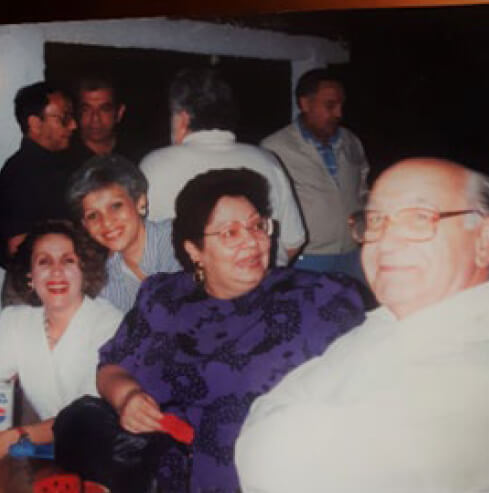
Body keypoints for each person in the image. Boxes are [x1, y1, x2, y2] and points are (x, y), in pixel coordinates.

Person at [53, 168, 364, 493]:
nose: (252, 241)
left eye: (258, 226)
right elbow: (111, 364)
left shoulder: (317, 299)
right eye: (230, 233)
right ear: (194, 250)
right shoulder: (161, 297)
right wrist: (126, 396)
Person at [236, 158, 489, 493]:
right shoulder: (391, 320)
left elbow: (276, 463)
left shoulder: (472, 368)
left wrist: (276, 424)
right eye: (376, 220)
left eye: (418, 218)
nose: (386, 240)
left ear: (484, 240)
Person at [140, 67, 305, 266]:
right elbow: (292, 242)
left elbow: (141, 252)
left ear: (182, 118)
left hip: (188, 293)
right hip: (265, 289)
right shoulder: (267, 160)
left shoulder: (155, 166)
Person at [0, 220, 122, 457]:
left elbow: (87, 416)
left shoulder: (109, 323)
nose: (56, 271)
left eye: (68, 260)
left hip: (106, 454)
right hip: (47, 455)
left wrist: (15, 436)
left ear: (84, 271)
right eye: (44, 261)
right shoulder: (15, 321)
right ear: (30, 277)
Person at [262, 68, 369, 279]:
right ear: (305, 104)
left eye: (341, 105)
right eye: (330, 105)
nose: (339, 114)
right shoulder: (276, 147)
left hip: (353, 254)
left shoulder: (351, 142)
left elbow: (363, 189)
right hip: (307, 258)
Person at [67, 154, 181, 312]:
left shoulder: (178, 239)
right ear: (85, 226)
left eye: (115, 206)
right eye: (93, 215)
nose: (106, 222)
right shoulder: (105, 284)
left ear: (140, 202)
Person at [0, 82, 77, 264]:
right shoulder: (23, 173)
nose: (73, 125)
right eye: (64, 118)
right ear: (35, 124)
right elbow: (17, 247)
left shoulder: (49, 165)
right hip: (37, 284)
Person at [69, 76, 133, 165]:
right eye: (86, 110)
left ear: (119, 113)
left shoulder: (135, 155)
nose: (95, 118)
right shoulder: (63, 159)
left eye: (104, 109)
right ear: (76, 112)